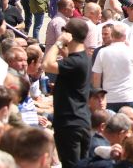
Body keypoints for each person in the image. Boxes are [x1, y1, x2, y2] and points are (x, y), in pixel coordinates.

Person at [43, 18, 91, 168]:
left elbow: (46, 65)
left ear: (68, 34)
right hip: (80, 120)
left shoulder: (75, 62)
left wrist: (58, 42)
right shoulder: (83, 58)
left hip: (69, 122)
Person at [92, 22, 133, 113]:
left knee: (109, 127)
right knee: (130, 127)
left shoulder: (102, 52)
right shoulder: (130, 50)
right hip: (128, 97)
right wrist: (129, 45)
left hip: (109, 98)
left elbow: (96, 77)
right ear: (125, 36)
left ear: (112, 35)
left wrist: (98, 97)